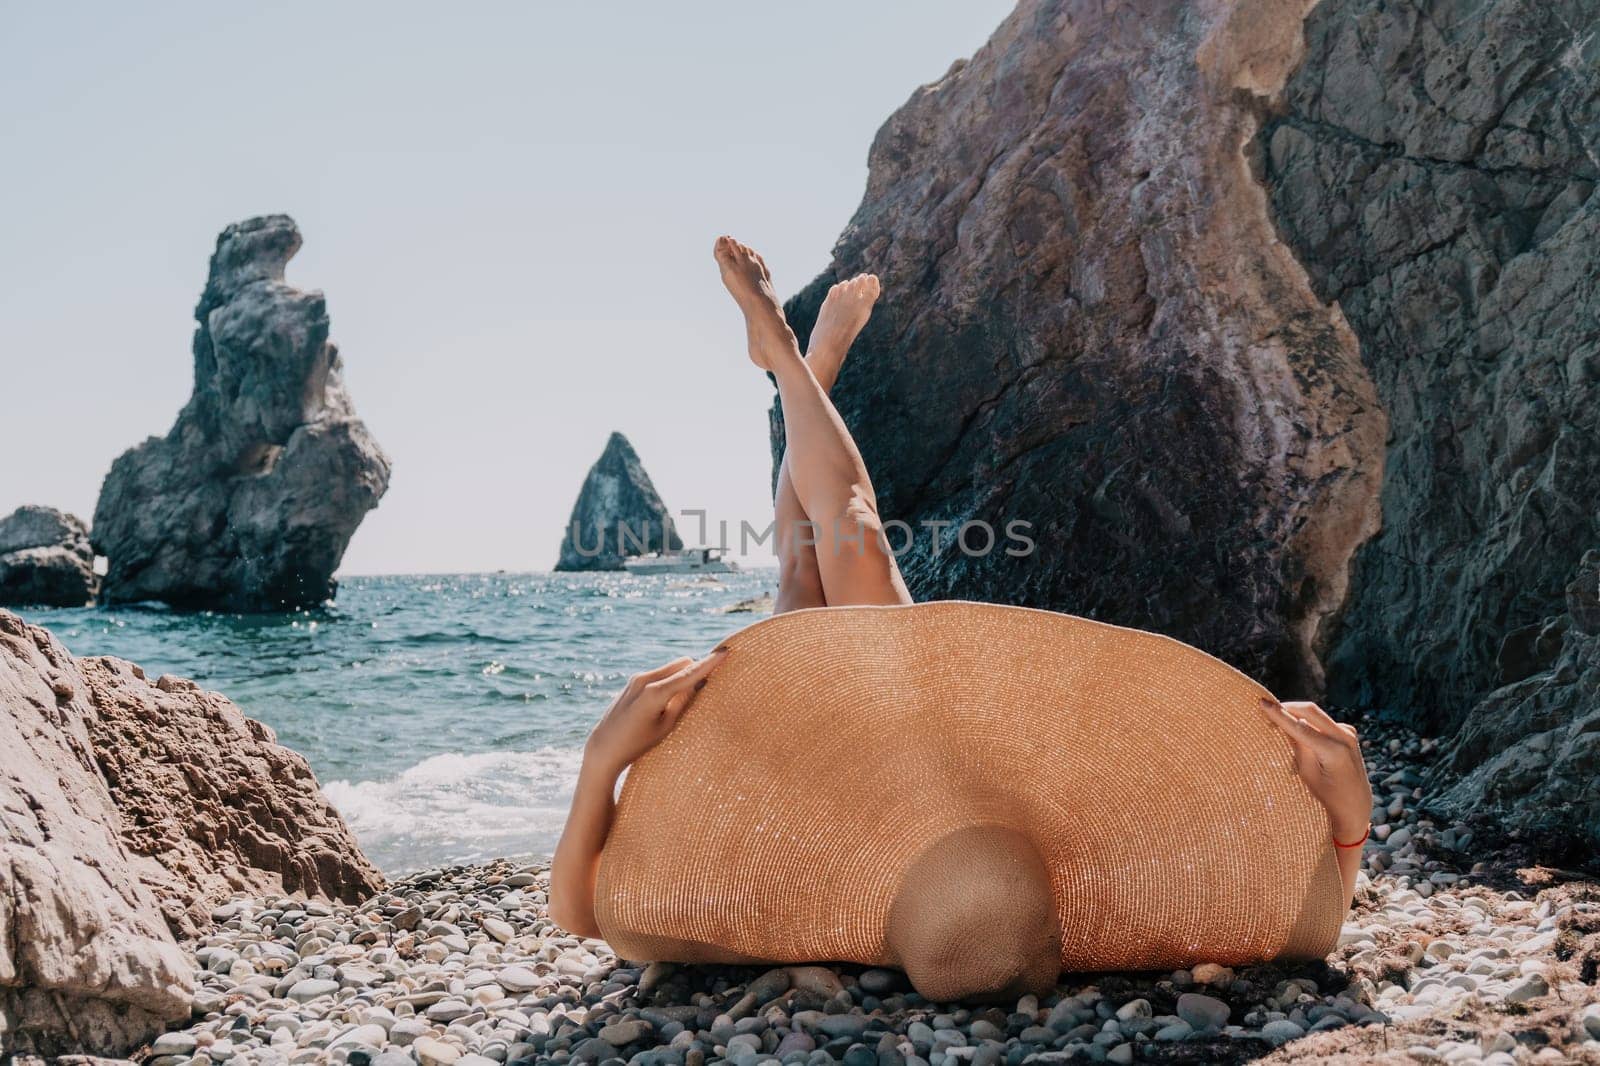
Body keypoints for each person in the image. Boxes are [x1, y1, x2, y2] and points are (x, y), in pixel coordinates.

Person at [548, 236, 1374, 959]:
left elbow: (581, 915)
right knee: (828, 548)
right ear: (1058, 922)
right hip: (906, 771)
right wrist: (1349, 822)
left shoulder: (769, 914)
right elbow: (1314, 928)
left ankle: (799, 370)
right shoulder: (1094, 928)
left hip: (832, 774)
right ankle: (800, 377)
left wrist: (601, 761)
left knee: (825, 551)